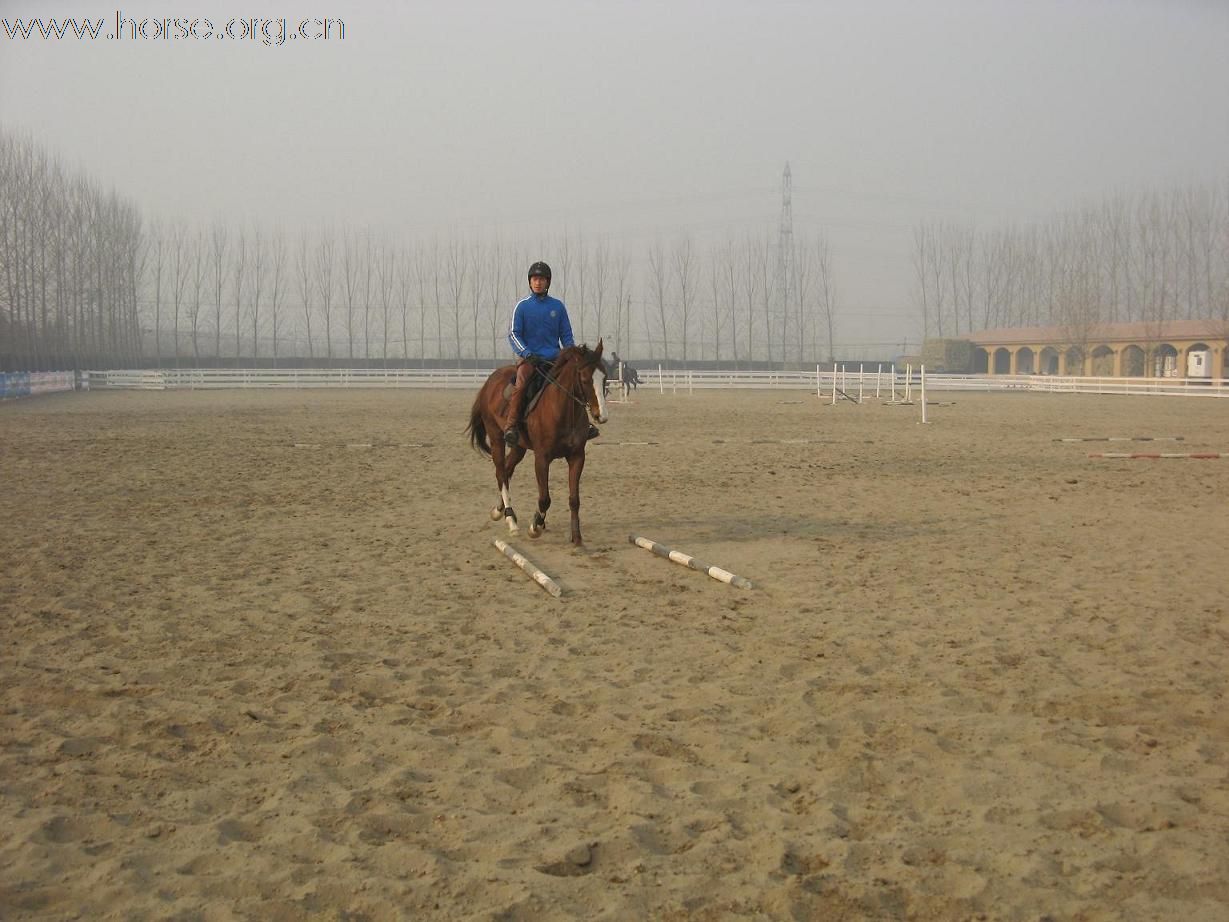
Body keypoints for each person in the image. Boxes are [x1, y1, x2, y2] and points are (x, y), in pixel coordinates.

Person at [503, 261, 598, 447]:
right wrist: (527, 353)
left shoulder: (558, 307)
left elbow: (567, 336)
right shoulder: (521, 307)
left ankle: (583, 425)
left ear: (548, 282)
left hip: (555, 359)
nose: (538, 282)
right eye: (534, 279)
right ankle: (511, 426)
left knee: (575, 382)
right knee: (521, 383)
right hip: (531, 360)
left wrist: (571, 355)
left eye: (542, 279)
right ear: (530, 282)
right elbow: (514, 334)